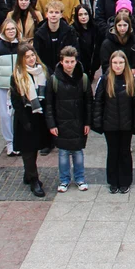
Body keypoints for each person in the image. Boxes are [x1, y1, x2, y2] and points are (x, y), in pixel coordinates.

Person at [92, 50, 135, 194]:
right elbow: (98, 103)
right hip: (110, 124)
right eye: (115, 63)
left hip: (126, 125)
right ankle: (113, 181)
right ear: (111, 64)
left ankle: (125, 181)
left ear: (125, 64)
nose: (118, 66)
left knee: (125, 152)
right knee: (113, 152)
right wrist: (98, 123)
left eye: (121, 63)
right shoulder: (105, 79)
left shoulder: (132, 80)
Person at [44, 46, 93, 192]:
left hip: (78, 122)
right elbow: (49, 104)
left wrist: (88, 122)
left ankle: (80, 178)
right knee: (63, 153)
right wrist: (51, 124)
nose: (69, 65)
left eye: (72, 61)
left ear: (76, 62)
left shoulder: (83, 78)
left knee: (78, 152)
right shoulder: (54, 79)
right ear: (61, 62)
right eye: (67, 62)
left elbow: (89, 102)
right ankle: (64, 179)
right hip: (61, 122)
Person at [10, 43, 51, 196]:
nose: (31, 59)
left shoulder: (43, 71)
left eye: (32, 55)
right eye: (27, 57)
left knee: (36, 148)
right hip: (25, 118)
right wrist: (24, 120)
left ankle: (28, 173)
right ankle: (33, 179)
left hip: (39, 115)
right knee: (28, 150)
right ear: (21, 59)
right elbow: (16, 102)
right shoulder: (17, 76)